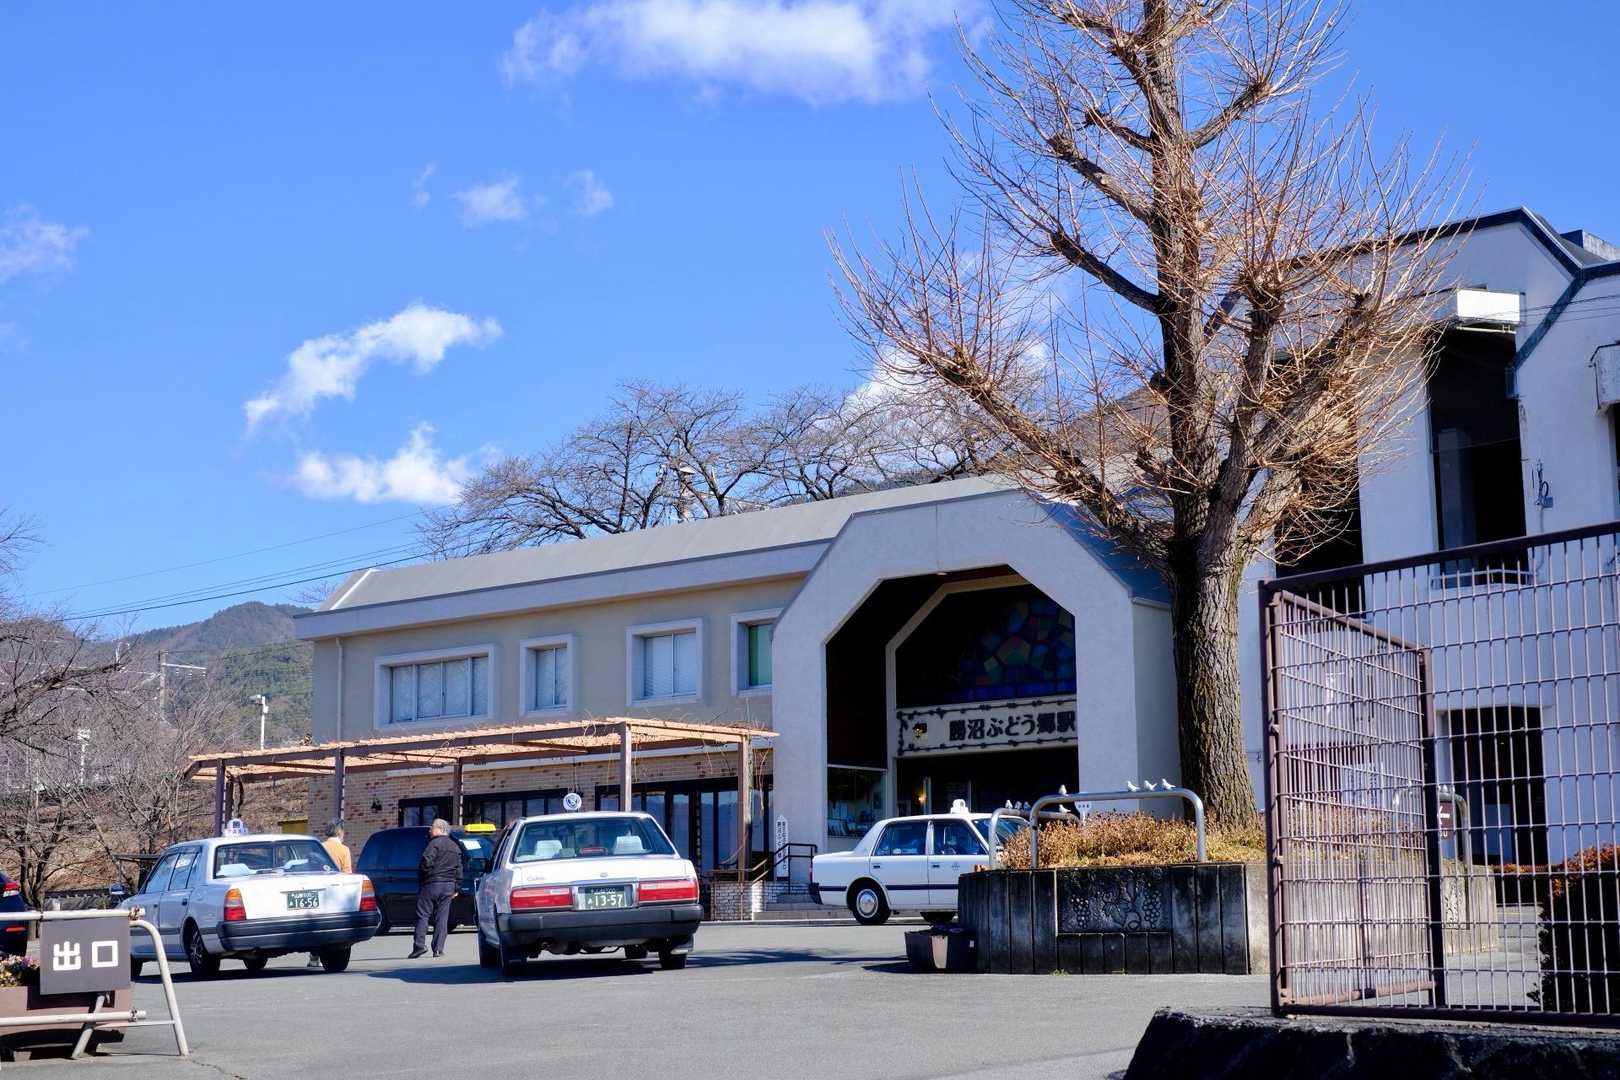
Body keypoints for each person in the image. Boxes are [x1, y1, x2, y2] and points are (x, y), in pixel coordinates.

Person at [410, 818, 462, 959]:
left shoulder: (433, 844)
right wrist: (457, 887)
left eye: (432, 827)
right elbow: (459, 868)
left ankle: (419, 946)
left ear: (440, 829)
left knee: (423, 914)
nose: (429, 830)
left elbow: (426, 862)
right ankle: (438, 949)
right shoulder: (455, 846)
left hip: (432, 883)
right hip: (449, 885)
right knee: (442, 918)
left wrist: (422, 878)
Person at [308, 820, 353, 969]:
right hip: (336, 892)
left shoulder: (319, 848)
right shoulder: (344, 850)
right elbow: (347, 874)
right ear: (339, 832)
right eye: (343, 832)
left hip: (318, 891)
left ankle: (314, 956)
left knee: (317, 923)